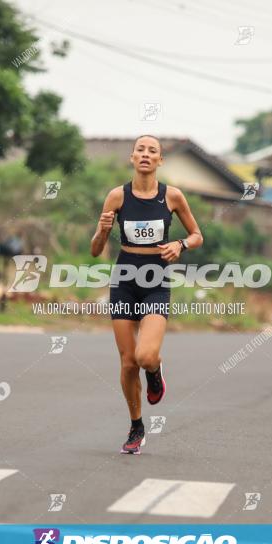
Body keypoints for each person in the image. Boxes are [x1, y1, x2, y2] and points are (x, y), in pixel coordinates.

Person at [90, 135, 203, 454]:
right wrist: (101, 230)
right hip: (124, 279)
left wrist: (179, 245)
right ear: (132, 157)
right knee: (127, 363)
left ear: (160, 161)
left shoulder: (173, 196)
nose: (145, 154)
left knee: (145, 357)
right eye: (140, 149)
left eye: (152, 151)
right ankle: (136, 425)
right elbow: (96, 251)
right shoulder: (116, 197)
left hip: (156, 280)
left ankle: (155, 374)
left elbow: (197, 235)